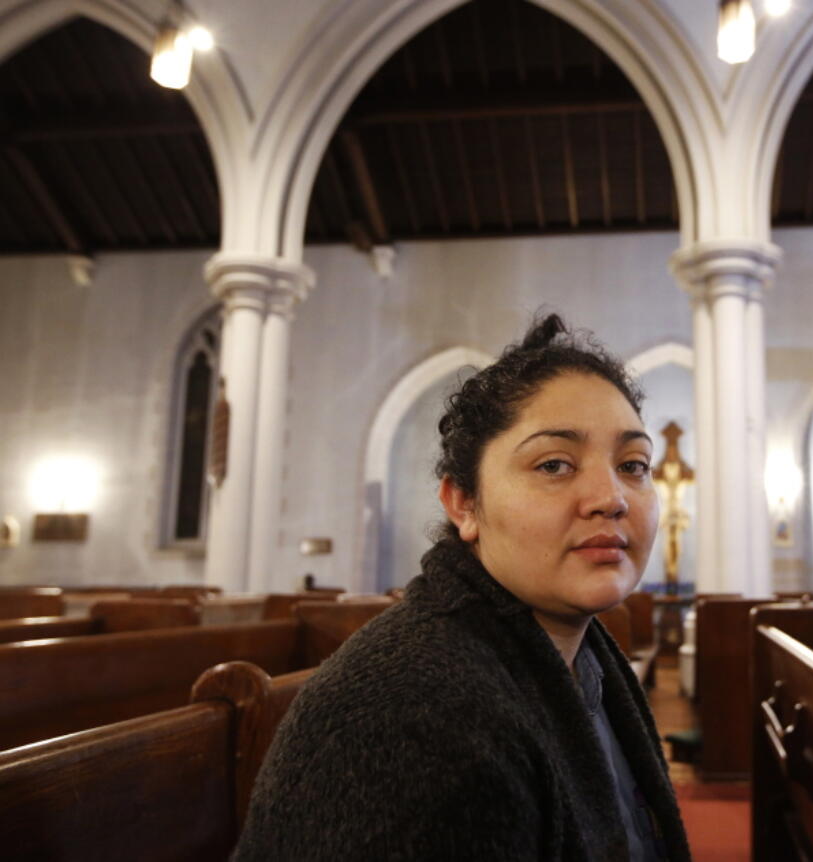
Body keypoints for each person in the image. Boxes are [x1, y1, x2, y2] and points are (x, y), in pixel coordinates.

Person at [234, 314, 691, 861]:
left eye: (633, 465)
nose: (610, 496)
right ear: (464, 504)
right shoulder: (412, 720)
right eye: (554, 464)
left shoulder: (578, 656)